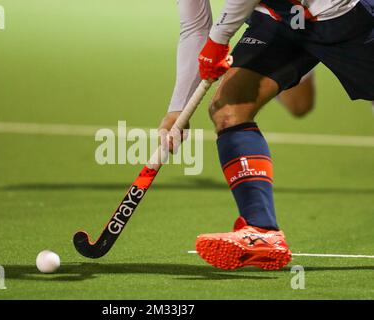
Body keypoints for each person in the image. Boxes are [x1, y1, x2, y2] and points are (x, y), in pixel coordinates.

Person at [159, 0, 374, 270]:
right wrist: (178, 110)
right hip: (281, 19)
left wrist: (219, 39)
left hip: (345, 16)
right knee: (229, 109)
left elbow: (215, 34)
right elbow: (195, 25)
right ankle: (261, 231)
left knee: (299, 104)